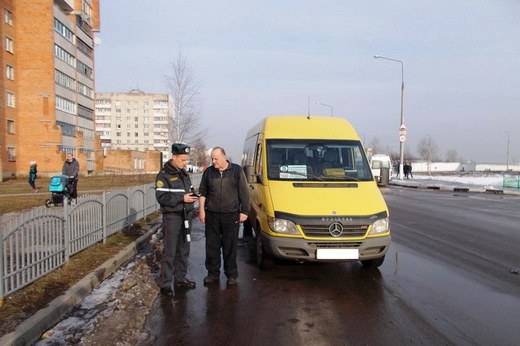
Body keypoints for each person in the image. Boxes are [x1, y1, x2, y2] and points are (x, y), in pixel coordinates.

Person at [198, 147, 250, 287]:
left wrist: (244, 211)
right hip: (212, 215)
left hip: (231, 215)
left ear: (224, 157)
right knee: (212, 246)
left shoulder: (236, 171)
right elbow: (203, 193)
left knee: (229, 247)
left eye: (216, 159)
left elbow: (244, 192)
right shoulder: (209, 172)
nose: (213, 161)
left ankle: (231, 274)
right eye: (212, 159)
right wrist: (201, 211)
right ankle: (212, 274)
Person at [155, 143, 199, 297]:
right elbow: (162, 197)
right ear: (174, 157)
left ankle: (180, 278)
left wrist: (193, 196)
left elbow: (189, 190)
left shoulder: (184, 174)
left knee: (184, 249)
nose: (184, 163)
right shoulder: (164, 175)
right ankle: (165, 283)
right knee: (170, 251)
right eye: (182, 160)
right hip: (173, 217)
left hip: (186, 216)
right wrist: (182, 198)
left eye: (186, 160)